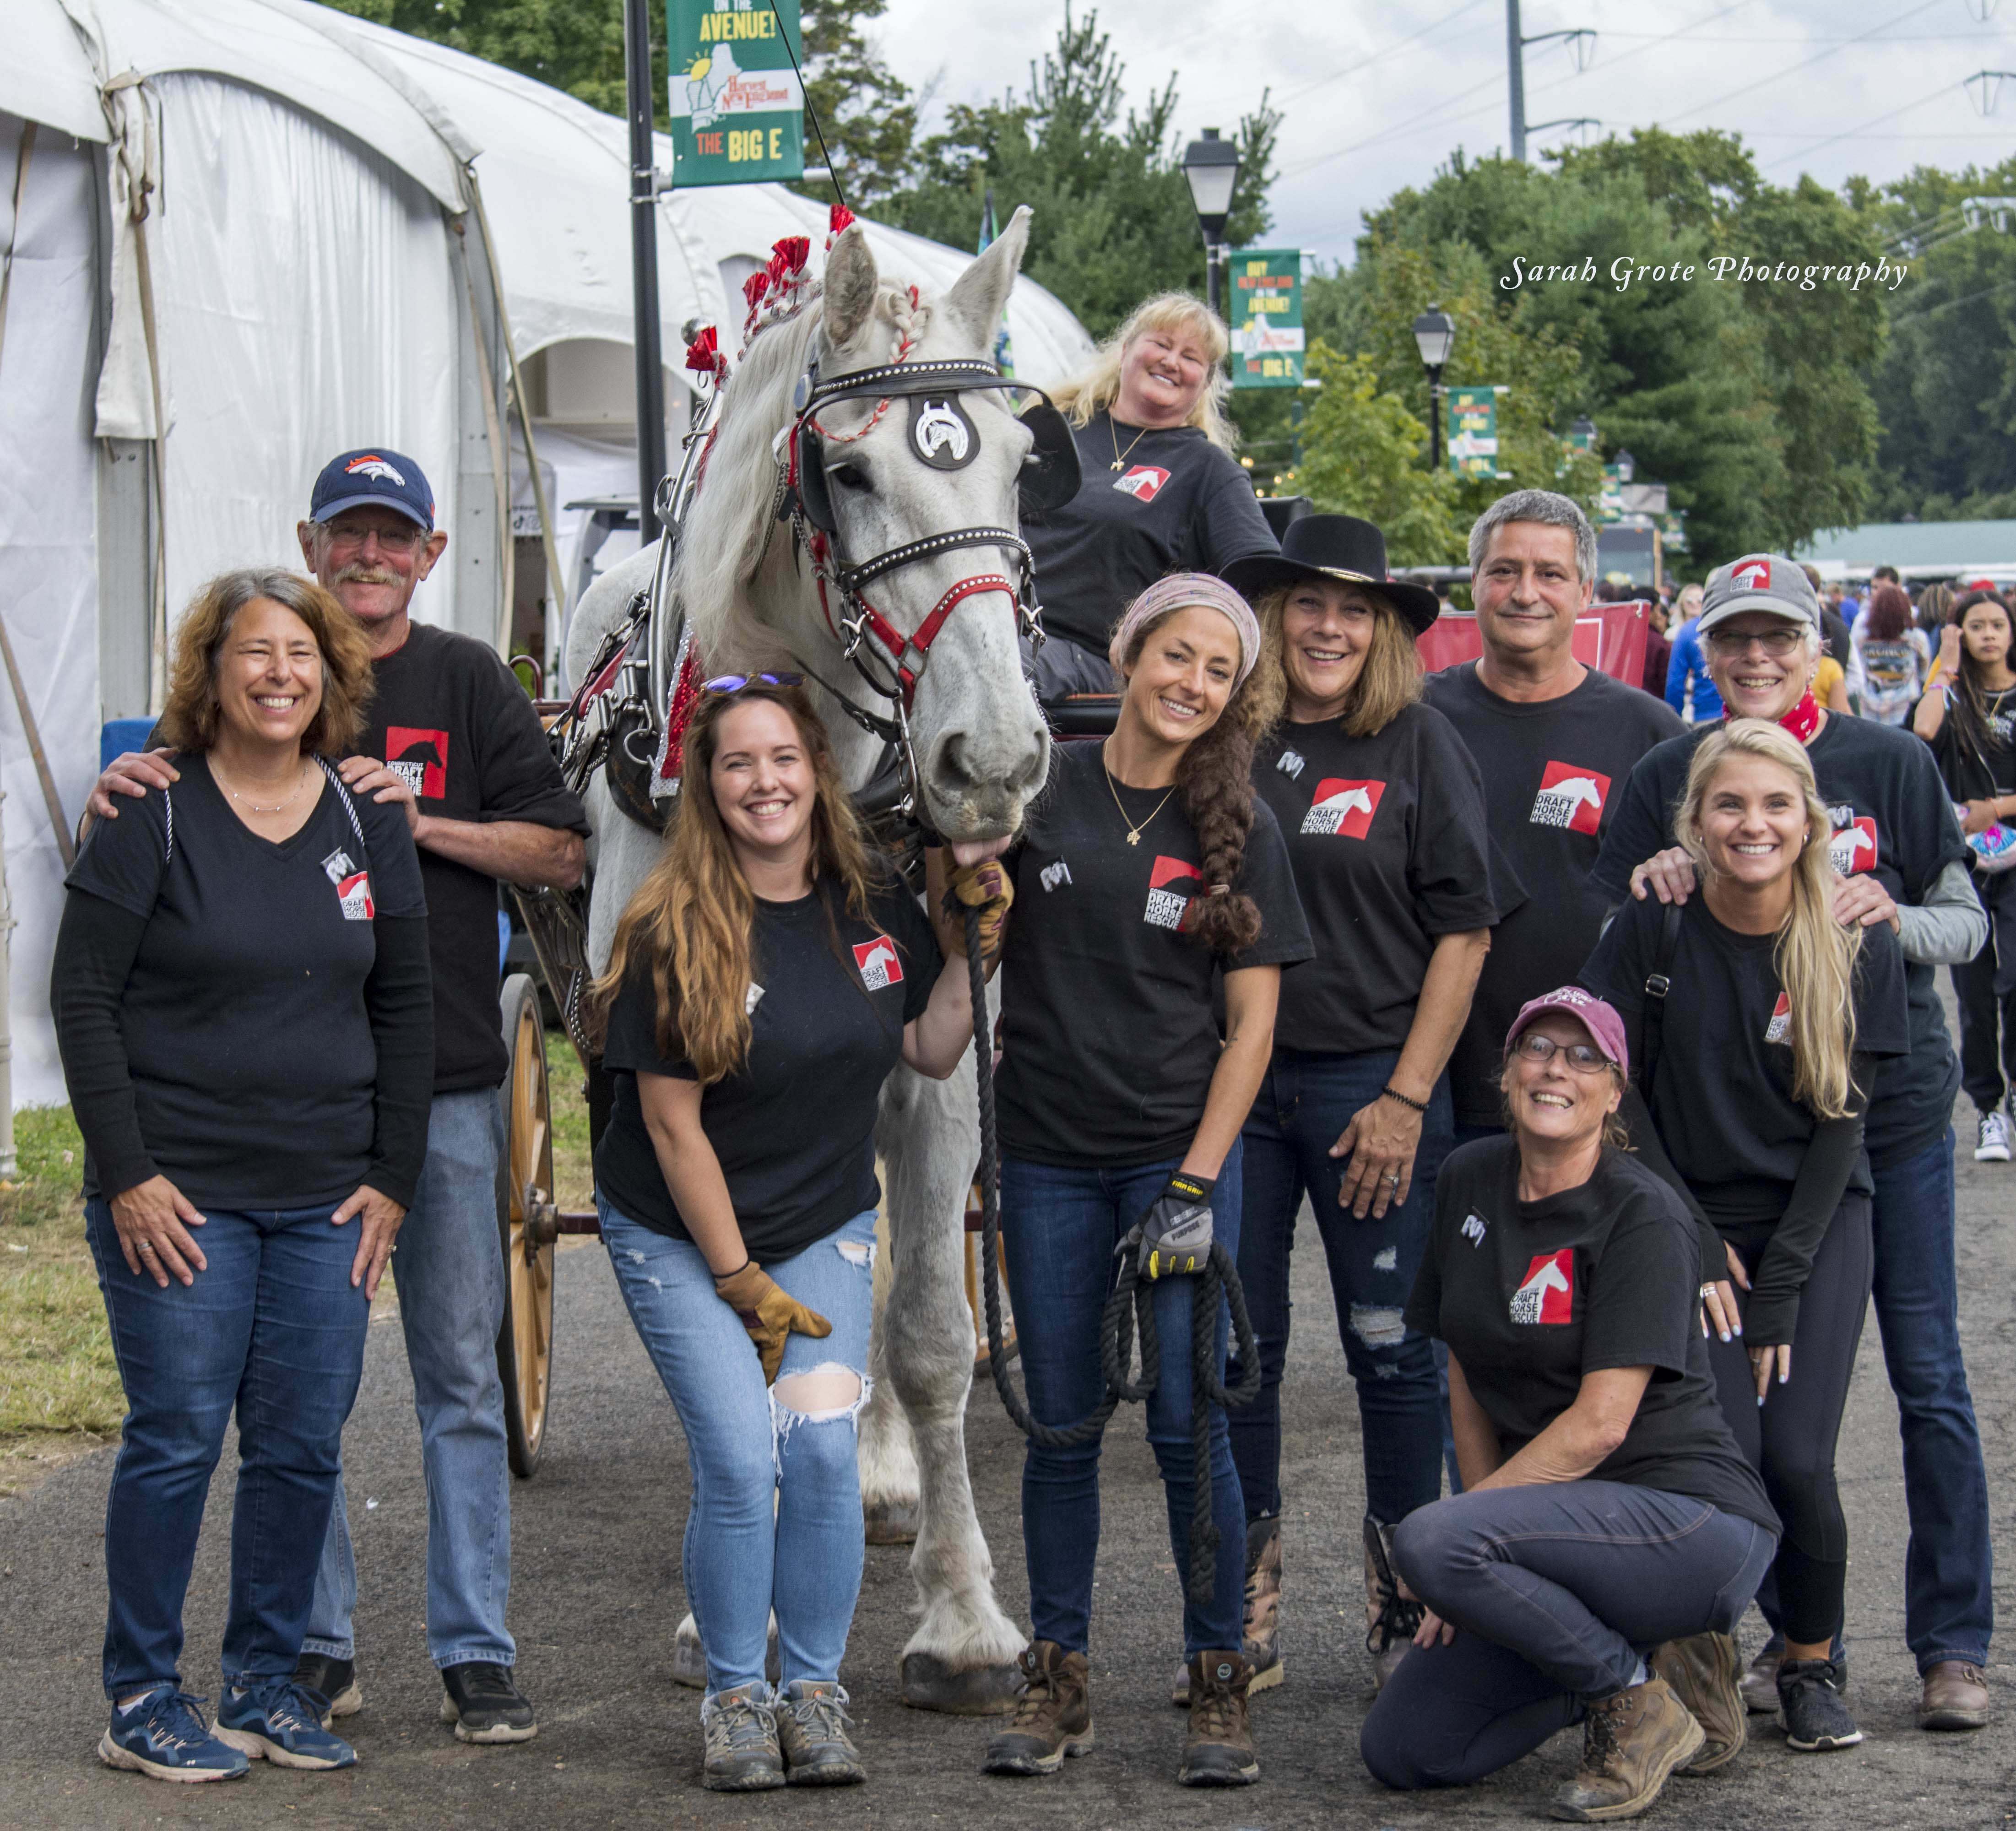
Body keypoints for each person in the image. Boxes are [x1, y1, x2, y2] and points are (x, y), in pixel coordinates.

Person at [87, 449, 590, 1742]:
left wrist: (414, 823)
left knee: (457, 1381)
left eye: (395, 539)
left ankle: (474, 1647)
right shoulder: (243, 678)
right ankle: (309, 1651)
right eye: (349, 537)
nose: (370, 559)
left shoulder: (469, 680)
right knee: (290, 1407)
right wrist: (116, 786)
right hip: (274, 1125)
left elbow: (559, 846)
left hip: (450, 1090)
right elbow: (152, 801)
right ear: (313, 545)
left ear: (427, 554)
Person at [1591, 553, 1994, 1734]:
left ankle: (1950, 1645)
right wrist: (1661, 870)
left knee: (1927, 1382)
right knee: (1742, 1424)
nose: (1756, 658)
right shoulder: (1669, 772)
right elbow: (1633, 935)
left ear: (1813, 639)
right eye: (1734, 639)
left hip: (1887, 1118)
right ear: (1704, 652)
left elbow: (1964, 922)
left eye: (1778, 636)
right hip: (1723, 1139)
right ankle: (1783, 1646)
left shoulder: (1891, 760)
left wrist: (1881, 913)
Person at [589, 677, 1009, 1791]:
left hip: (821, 1220)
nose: (764, 781)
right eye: (738, 763)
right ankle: (737, 1696)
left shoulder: (871, 908)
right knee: (740, 1459)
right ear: (708, 786)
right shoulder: (673, 924)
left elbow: (927, 1048)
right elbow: (672, 1131)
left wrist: (971, 950)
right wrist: (740, 1282)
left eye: (783, 759)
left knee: (821, 1453)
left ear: (816, 774)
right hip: (683, 1233)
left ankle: (814, 1689)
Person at [54, 569, 432, 1781]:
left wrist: (393, 1177)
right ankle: (142, 1701)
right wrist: (126, 1176)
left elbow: (409, 1004)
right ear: (210, 676)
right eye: (255, 653)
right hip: (181, 1198)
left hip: (329, 1200)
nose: (281, 674)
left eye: (303, 655)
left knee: (301, 1449)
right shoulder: (151, 811)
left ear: (332, 677)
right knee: (175, 1440)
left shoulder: (365, 815)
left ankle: (267, 1687)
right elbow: (82, 998)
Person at [979, 574, 1311, 1789]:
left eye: (1218, 671)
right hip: (1049, 1157)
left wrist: (1197, 1181)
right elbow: (968, 931)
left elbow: (1253, 1030)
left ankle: (1216, 1674)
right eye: (1176, 655)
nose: (1192, 684)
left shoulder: (1243, 823)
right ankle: (1055, 1672)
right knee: (1061, 1428)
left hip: (1176, 1163)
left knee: (1187, 1426)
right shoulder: (1039, 786)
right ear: (1126, 655)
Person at [1359, 990, 1778, 1821]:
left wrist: (1461, 1542)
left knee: (1430, 1538)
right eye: (1537, 1049)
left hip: (1689, 1523)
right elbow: (1464, 1369)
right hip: (1557, 1532)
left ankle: (1633, 1702)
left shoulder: (1641, 1213)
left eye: (1584, 1057)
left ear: (1614, 1093)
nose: (1556, 1069)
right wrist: (1473, 1561)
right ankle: (1645, 1662)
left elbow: (1599, 1427)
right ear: (1506, 1072)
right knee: (1406, 1751)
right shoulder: (1468, 1177)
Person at [1583, 720, 1912, 1753]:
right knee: (1720, 1453)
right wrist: (1683, 1234)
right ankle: (1702, 1660)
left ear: (1811, 820)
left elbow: (1841, 1129)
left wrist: (1780, 1286)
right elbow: (1613, 1093)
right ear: (1692, 822)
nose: (1753, 823)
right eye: (1729, 804)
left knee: (1799, 1461)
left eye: (1776, 805)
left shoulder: (1856, 936)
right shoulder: (1651, 928)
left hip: (1814, 1219)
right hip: (1678, 1214)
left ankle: (1811, 1658)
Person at [1218, 515, 1496, 1696]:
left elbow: (1467, 929)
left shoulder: (1418, 743)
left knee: (1391, 1352)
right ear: (1274, 619)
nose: (1328, 626)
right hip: (1234, 1082)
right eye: (1308, 604)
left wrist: (1403, 1095)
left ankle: (1402, 1609)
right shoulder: (1223, 739)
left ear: (1382, 628)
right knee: (1240, 1350)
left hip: (1368, 1087)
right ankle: (1241, 1606)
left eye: (1355, 609)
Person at [1422, 490, 1682, 1149]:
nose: (1524, 592)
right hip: (1434, 1083)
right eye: (1504, 570)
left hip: (1595, 1086)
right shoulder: (1414, 720)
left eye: (1551, 574)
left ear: (1586, 591)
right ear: (1474, 581)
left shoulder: (1651, 733)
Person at [1022, 294, 1278, 703]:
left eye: (1192, 357)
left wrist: (1183, 633)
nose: (1172, 362)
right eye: (1161, 344)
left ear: (1206, 384)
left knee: (993, 668)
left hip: (1089, 657)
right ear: (1125, 351)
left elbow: (1261, 583)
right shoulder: (1051, 427)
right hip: (986, 619)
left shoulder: (1207, 471)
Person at [1914, 590, 2016, 1161]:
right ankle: (1988, 1107)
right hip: (1969, 858)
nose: (1988, 635)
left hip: (2011, 845)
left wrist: (1997, 810)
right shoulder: (1952, 697)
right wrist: (1944, 664)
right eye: (1974, 626)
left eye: (1997, 624)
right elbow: (1924, 731)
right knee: (1974, 991)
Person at [1852, 581, 1930, 726]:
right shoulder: (1917, 638)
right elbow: (1924, 671)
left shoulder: (1862, 639)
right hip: (1906, 711)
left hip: (1870, 712)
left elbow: (1857, 671)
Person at [1664, 582, 1722, 722]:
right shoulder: (1729, 625)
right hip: (1737, 714)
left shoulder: (1686, 632)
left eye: (1699, 600)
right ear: (1683, 604)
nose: (1695, 604)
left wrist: (1673, 720)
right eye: (1690, 601)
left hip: (1704, 715)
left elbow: (1675, 684)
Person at [1641, 590, 1673, 700]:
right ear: (1649, 611)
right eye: (1658, 610)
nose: (1660, 616)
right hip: (1653, 706)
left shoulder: (1621, 637)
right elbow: (1668, 684)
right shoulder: (1660, 644)